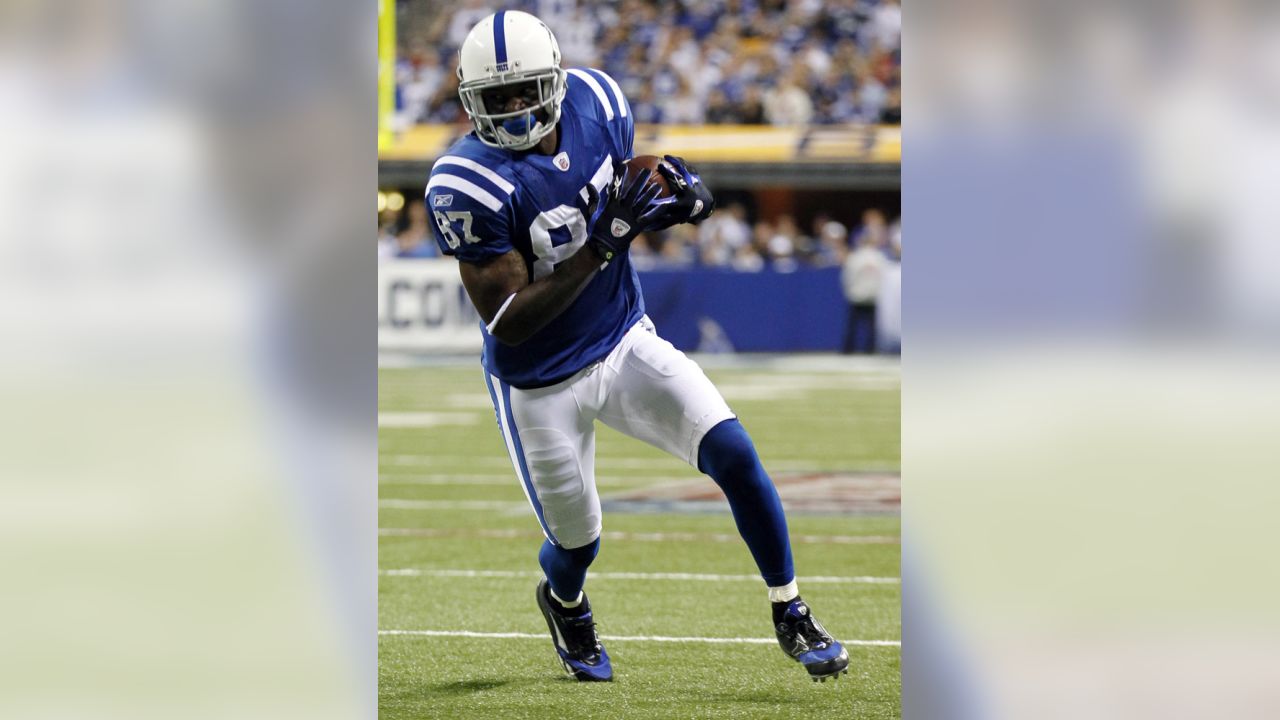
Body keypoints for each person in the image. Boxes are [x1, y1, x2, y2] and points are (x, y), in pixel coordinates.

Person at [426, 10, 849, 684]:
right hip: (539, 384)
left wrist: (676, 191)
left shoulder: (599, 102)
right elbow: (507, 316)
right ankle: (563, 601)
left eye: (523, 91)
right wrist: (602, 244)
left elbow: (627, 176)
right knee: (578, 541)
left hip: (621, 338)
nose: (511, 110)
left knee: (735, 453)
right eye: (494, 99)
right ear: (469, 100)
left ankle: (789, 607)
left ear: (556, 82)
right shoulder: (465, 184)